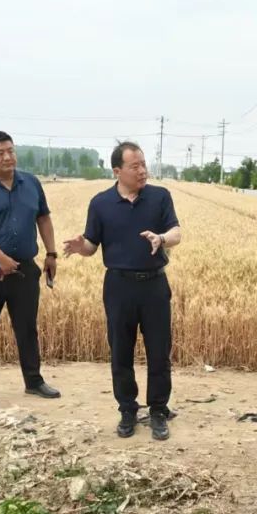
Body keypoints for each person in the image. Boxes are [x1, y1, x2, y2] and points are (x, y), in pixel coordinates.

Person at [63, 141, 181, 440]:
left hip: (154, 285)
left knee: (159, 351)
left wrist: (161, 239)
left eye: (143, 164)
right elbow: (92, 245)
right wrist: (80, 247)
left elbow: (176, 232)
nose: (142, 171)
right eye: (135, 166)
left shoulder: (160, 197)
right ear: (117, 171)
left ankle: (158, 410)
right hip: (118, 286)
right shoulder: (100, 203)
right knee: (120, 350)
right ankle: (127, 409)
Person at [0, 130, 60, 409]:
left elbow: (43, 218)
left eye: (10, 151)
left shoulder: (31, 183)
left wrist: (51, 253)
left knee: (27, 327)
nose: (7, 157)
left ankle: (34, 381)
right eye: (0, 153)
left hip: (25, 269)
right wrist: (0, 257)